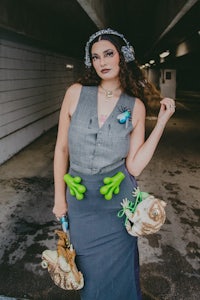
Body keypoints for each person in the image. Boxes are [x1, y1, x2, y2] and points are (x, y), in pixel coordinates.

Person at [52, 28, 175, 300]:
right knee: (88, 274)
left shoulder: (136, 106)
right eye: (95, 57)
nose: (102, 62)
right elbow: (61, 149)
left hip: (116, 203)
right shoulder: (74, 93)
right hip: (80, 200)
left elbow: (133, 166)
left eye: (108, 54)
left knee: (119, 274)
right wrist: (59, 198)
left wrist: (162, 123)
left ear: (122, 58)